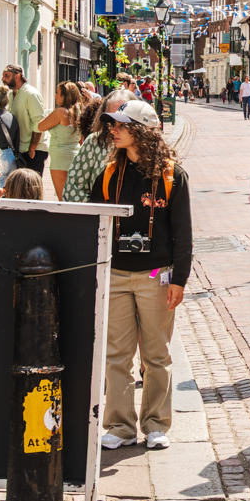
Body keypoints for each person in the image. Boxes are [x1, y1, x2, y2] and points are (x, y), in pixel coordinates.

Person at [93, 99, 191, 450]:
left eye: (120, 124)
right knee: (116, 354)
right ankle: (119, 426)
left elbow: (183, 231)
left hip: (156, 275)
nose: (113, 130)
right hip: (116, 274)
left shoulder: (171, 175)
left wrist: (179, 278)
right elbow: (94, 223)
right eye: (112, 125)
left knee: (156, 355)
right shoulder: (108, 173)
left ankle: (155, 425)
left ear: (140, 131)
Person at [63, 90, 129, 203]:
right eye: (111, 120)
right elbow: (73, 188)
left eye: (123, 122)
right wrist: (98, 213)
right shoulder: (94, 142)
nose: (115, 128)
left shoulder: (146, 151)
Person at [33, 81, 83, 200]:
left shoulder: (61, 112)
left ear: (65, 96)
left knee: (63, 198)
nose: (55, 95)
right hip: (74, 155)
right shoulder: (79, 111)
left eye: (57, 93)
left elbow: (40, 127)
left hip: (60, 158)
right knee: (73, 195)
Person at [4, 65, 47, 175]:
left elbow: (39, 122)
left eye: (6, 76)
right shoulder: (10, 94)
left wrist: (32, 147)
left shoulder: (31, 94)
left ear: (17, 77)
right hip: (20, 149)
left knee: (32, 187)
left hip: (33, 151)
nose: (3, 79)